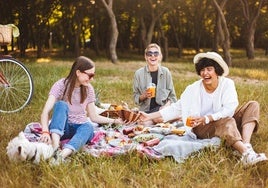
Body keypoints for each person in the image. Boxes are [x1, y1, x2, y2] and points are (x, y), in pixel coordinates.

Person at [139, 51, 267, 166]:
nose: (205, 73)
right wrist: (149, 116)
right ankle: (246, 153)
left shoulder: (227, 84)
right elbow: (176, 108)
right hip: (200, 128)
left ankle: (246, 145)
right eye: (202, 70)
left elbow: (230, 108)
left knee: (252, 105)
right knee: (227, 121)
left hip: (222, 121)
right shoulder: (192, 89)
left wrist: (208, 117)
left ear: (217, 70)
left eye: (209, 69)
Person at [39, 56, 123, 164]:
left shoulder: (89, 89)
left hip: (79, 128)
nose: (92, 78)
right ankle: (55, 147)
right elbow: (45, 112)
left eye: (93, 75)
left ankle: (61, 156)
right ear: (78, 72)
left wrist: (114, 121)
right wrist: (45, 132)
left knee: (88, 126)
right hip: (61, 129)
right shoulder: (60, 85)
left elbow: (93, 117)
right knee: (61, 105)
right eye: (90, 75)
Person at [133, 43, 177, 123]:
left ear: (160, 57)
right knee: (143, 124)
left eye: (156, 53)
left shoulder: (166, 72)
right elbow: (136, 97)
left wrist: (164, 109)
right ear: (146, 57)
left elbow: (172, 97)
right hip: (146, 111)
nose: (153, 56)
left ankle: (176, 117)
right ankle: (176, 118)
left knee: (158, 118)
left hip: (161, 109)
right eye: (149, 54)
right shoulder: (138, 74)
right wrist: (144, 95)